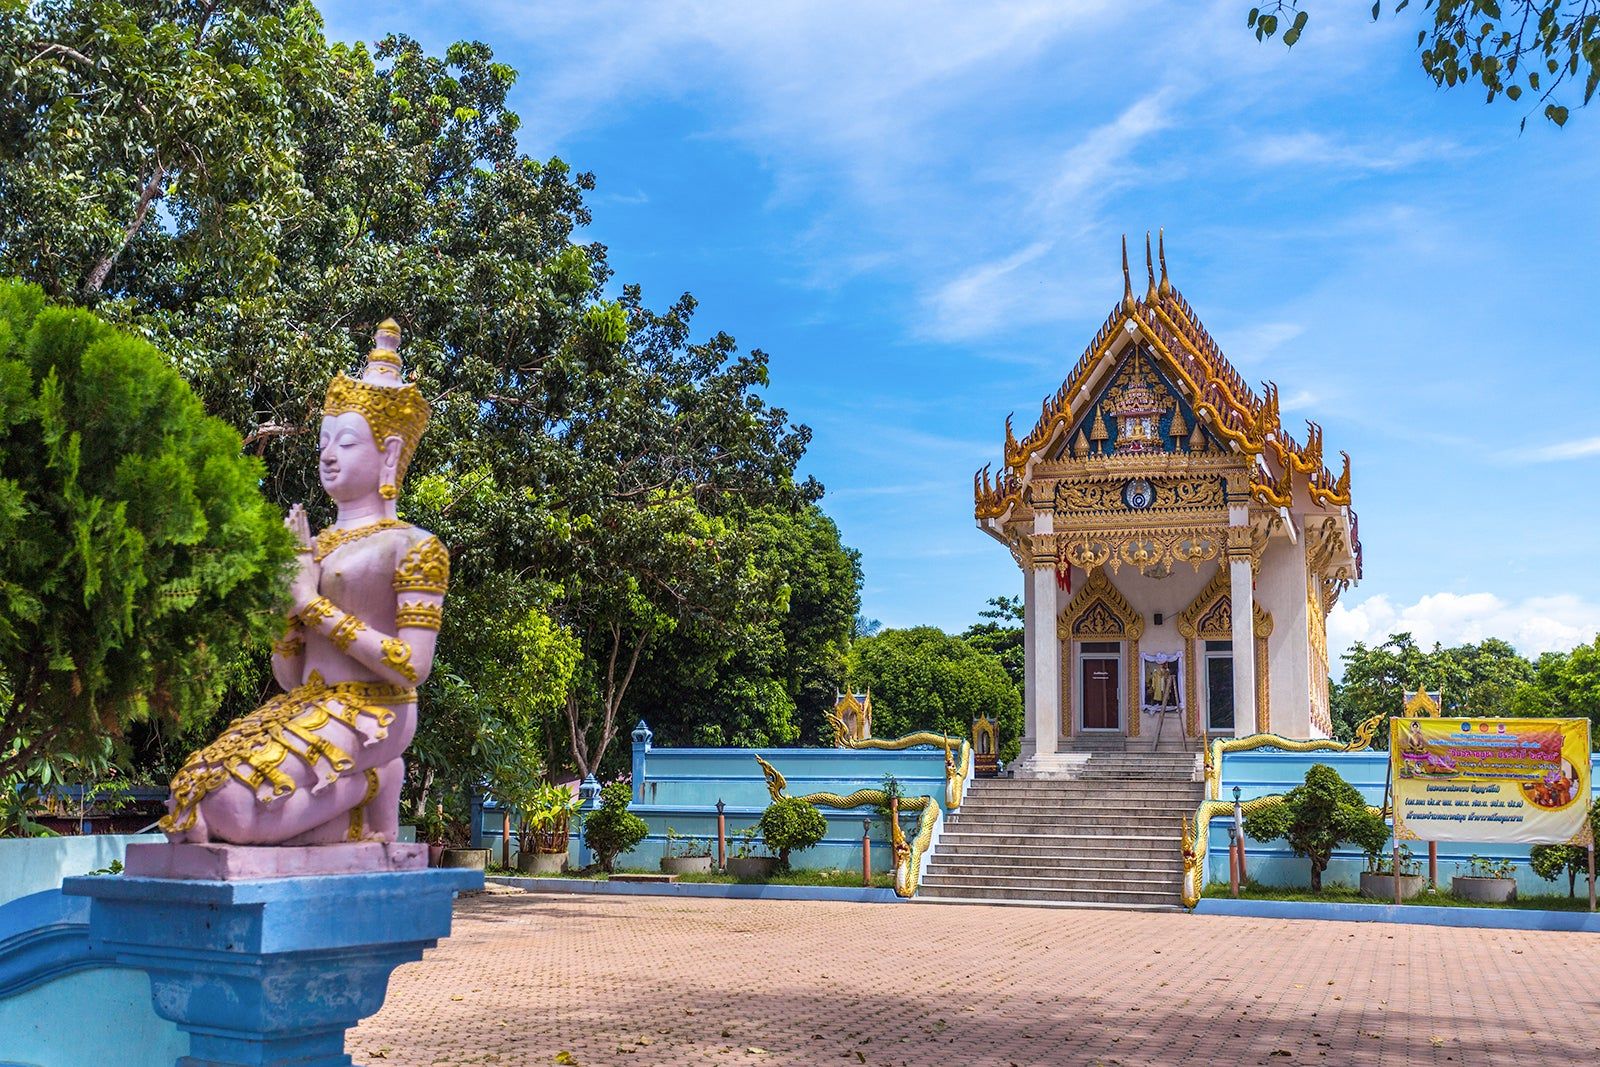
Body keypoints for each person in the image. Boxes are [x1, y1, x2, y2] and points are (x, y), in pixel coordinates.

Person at [161, 321, 448, 846]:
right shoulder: (316, 545)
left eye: (346, 441)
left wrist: (310, 603)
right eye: (323, 441)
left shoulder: (414, 547)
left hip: (376, 710)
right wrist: (287, 613)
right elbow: (292, 674)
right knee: (192, 793)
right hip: (308, 705)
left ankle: (374, 780)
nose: (328, 454)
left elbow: (413, 666)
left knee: (230, 809)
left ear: (387, 455)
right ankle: (359, 812)